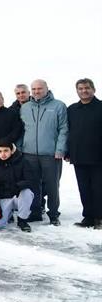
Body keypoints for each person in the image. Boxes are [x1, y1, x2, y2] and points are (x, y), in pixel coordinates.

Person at [19, 79, 68, 225]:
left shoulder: (58, 106)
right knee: (33, 184)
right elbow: (21, 130)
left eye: (39, 88)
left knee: (52, 185)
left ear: (47, 89)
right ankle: (35, 212)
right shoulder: (25, 107)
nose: (36, 91)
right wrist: (20, 148)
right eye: (34, 89)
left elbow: (63, 129)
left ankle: (53, 214)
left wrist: (60, 149)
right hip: (29, 153)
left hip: (51, 154)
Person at [66, 78, 102, 230]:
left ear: (93, 89)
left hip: (98, 156)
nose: (84, 91)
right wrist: (68, 151)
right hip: (79, 155)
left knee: (98, 188)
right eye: (80, 88)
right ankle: (88, 217)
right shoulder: (72, 109)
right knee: (84, 188)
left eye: (87, 88)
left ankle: (99, 218)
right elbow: (68, 132)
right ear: (77, 91)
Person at [0, 141, 36, 232]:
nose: (3, 154)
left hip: (18, 197)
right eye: (0, 151)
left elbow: (31, 180)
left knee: (27, 192)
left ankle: (22, 220)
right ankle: (9, 213)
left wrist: (17, 187)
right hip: (4, 198)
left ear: (12, 151)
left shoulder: (23, 161)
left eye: (6, 151)